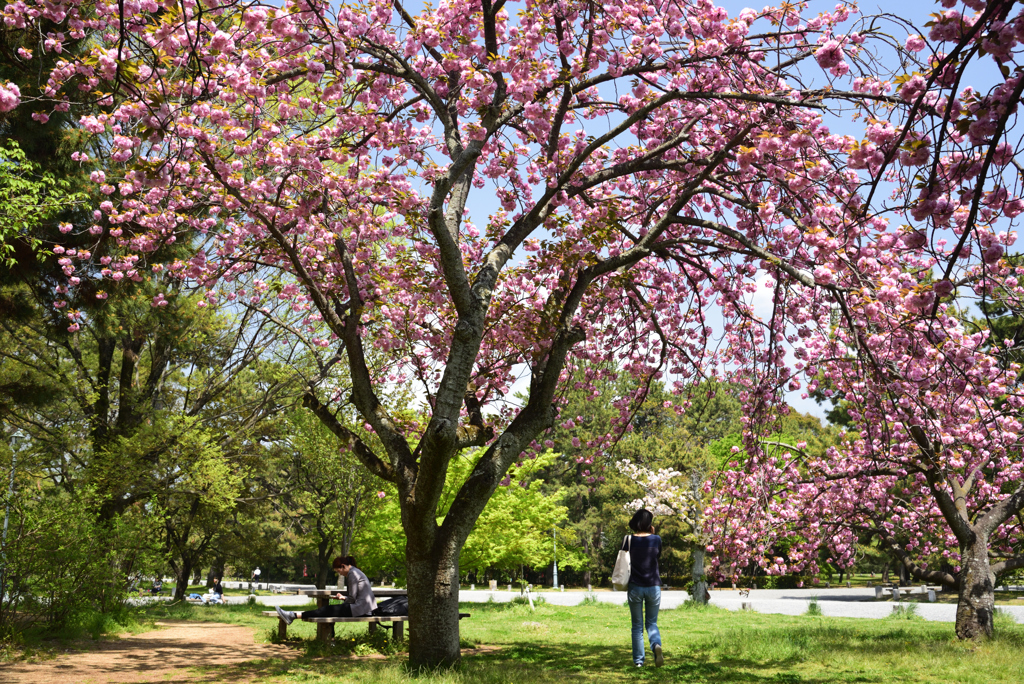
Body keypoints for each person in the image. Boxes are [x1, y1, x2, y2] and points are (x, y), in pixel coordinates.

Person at [276, 556, 376, 625]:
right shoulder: (354, 572)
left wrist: (343, 603)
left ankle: (292, 616)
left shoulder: (352, 574)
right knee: (329, 611)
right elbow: (354, 596)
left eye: (338, 571)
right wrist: (343, 598)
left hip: (361, 610)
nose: (340, 574)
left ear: (343, 566)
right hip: (363, 608)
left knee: (327, 610)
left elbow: (353, 598)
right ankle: (292, 616)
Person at [623, 508, 664, 668]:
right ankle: (655, 645)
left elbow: (622, 559)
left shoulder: (628, 540)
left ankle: (639, 662)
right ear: (649, 524)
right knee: (651, 623)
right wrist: (652, 534)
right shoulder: (656, 539)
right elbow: (657, 556)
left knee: (637, 626)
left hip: (635, 586)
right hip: (653, 586)